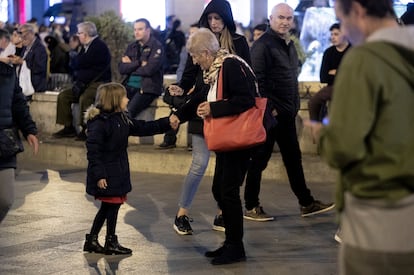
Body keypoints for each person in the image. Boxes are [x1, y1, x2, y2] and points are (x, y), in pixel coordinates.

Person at [306, 1, 414, 274]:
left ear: (357, 10)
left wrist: (323, 134)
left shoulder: (364, 59)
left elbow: (344, 146)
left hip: (381, 220)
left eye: (341, 19)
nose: (343, 29)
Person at [171, 27, 256, 265]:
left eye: (196, 57)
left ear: (207, 53)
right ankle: (230, 243)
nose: (195, 62)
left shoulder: (229, 65)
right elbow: (200, 95)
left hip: (240, 140)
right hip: (228, 140)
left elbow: (246, 99)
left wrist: (214, 109)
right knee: (220, 190)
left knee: (227, 191)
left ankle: (235, 247)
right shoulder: (214, 70)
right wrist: (180, 114)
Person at [246, 3, 334, 221]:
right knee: (259, 160)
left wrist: (292, 107)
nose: (285, 22)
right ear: (271, 18)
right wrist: (272, 110)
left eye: (289, 18)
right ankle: (250, 205)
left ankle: (306, 202)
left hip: (286, 113)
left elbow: (290, 79)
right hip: (272, 115)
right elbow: (257, 81)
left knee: (293, 159)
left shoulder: (288, 44)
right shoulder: (263, 45)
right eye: (281, 18)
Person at [83, 82, 177, 255]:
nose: (128, 99)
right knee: (110, 206)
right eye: (125, 97)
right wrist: (100, 175)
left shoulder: (122, 118)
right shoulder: (99, 123)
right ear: (115, 100)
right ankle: (108, 241)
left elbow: (143, 127)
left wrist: (166, 123)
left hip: (118, 171)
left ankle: (93, 241)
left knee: (109, 207)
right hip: (107, 173)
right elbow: (94, 152)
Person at [52, 21, 111, 140]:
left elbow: (80, 62)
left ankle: (86, 129)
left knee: (86, 98)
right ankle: (68, 127)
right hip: (83, 83)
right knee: (63, 96)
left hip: (97, 83)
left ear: (86, 34)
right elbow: (75, 63)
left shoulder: (98, 45)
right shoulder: (85, 47)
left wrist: (78, 64)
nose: (78, 36)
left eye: (79, 33)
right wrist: (78, 64)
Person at [0, 60, 39, 223]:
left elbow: (19, 104)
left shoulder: (7, 73)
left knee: (5, 199)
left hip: (4, 143)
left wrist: (29, 130)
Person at [118, 18, 164, 119]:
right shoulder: (132, 46)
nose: (136, 32)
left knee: (127, 113)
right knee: (110, 109)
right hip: (128, 86)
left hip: (147, 88)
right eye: (135, 30)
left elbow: (149, 70)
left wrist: (130, 65)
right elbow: (122, 68)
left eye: (140, 29)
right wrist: (138, 63)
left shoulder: (156, 46)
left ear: (148, 30)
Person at [307, 23, 351, 126]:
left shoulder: (353, 51)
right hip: (333, 92)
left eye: (336, 34)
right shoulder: (328, 53)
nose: (332, 37)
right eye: (331, 34)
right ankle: (316, 131)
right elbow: (323, 77)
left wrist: (335, 72)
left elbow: (355, 75)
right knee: (313, 103)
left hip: (351, 91)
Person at [9, 23, 48, 97]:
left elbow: (39, 68)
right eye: (21, 35)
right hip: (23, 84)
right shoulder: (26, 47)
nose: (22, 38)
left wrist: (22, 62)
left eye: (24, 35)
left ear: (31, 33)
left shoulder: (39, 48)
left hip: (33, 86)